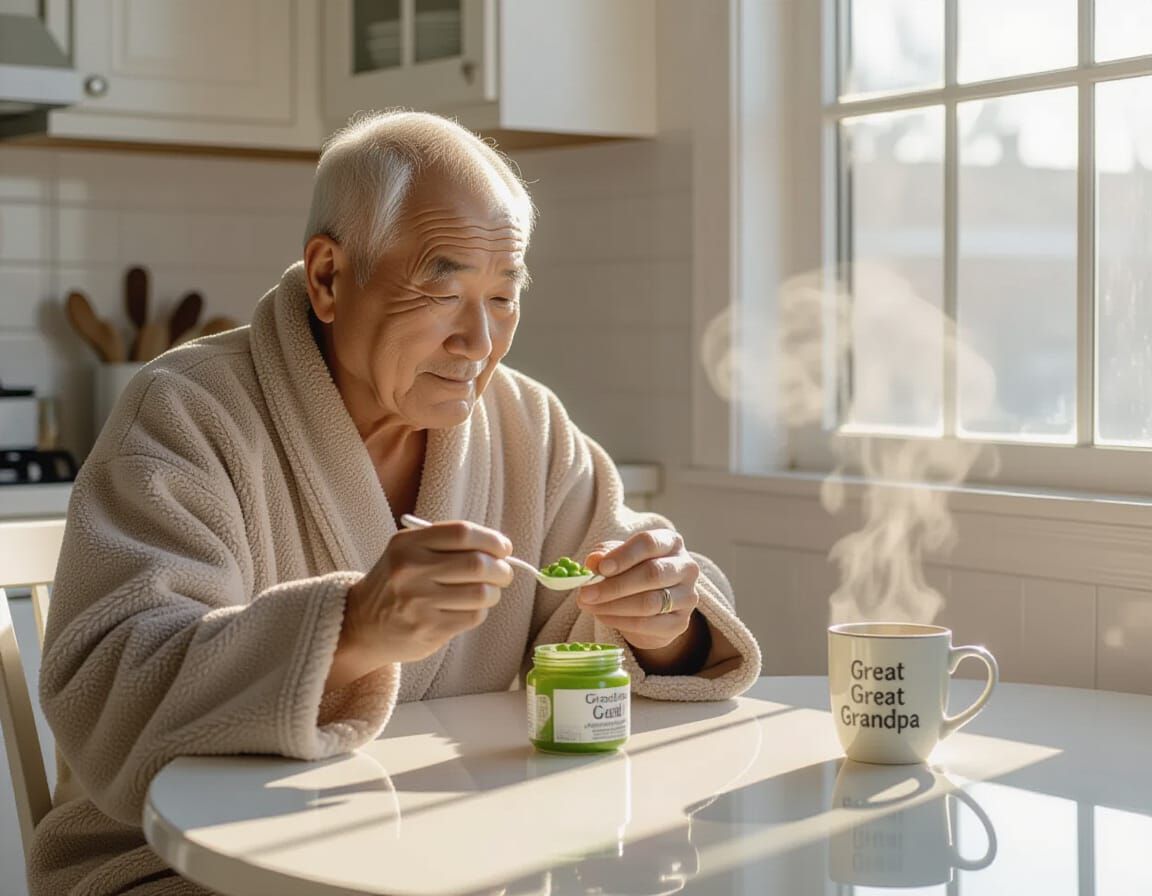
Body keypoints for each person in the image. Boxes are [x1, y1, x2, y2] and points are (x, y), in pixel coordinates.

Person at [29, 111, 761, 896]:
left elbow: (618, 605)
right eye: (442, 291)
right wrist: (352, 628)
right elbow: (113, 684)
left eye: (504, 298)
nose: (478, 340)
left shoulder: (527, 424)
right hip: (187, 860)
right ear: (329, 278)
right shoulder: (186, 411)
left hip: (448, 846)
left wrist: (663, 621)